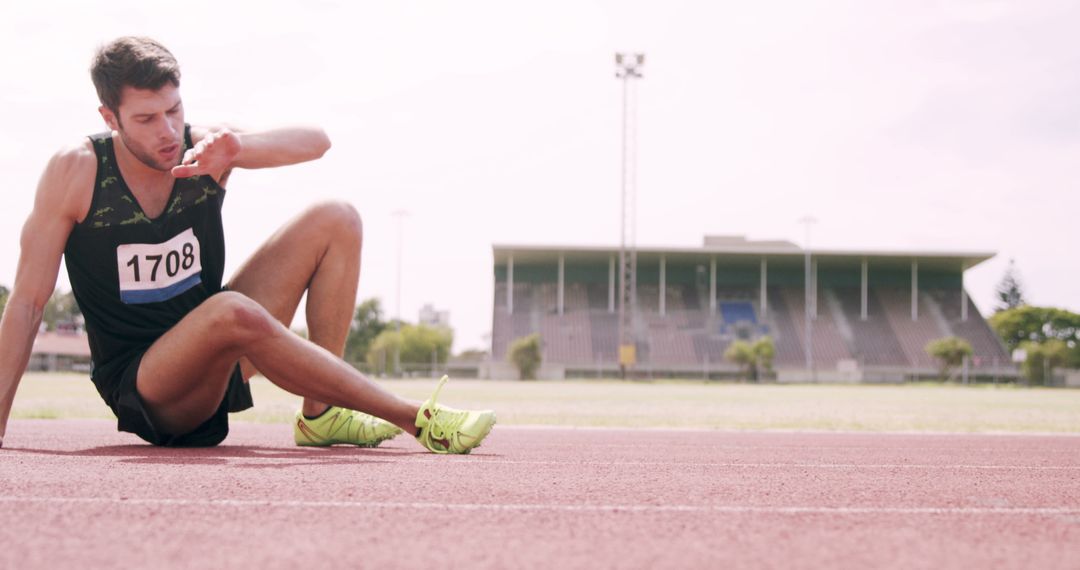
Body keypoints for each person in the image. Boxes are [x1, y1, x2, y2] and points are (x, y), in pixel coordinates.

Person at [0, 36, 494, 452]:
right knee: (230, 311)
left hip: (222, 355)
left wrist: (238, 148)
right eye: (147, 119)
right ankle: (418, 420)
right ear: (111, 118)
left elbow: (317, 140)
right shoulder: (77, 172)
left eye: (174, 110)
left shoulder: (206, 147)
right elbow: (26, 303)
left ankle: (321, 417)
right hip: (149, 386)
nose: (169, 131)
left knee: (336, 218)